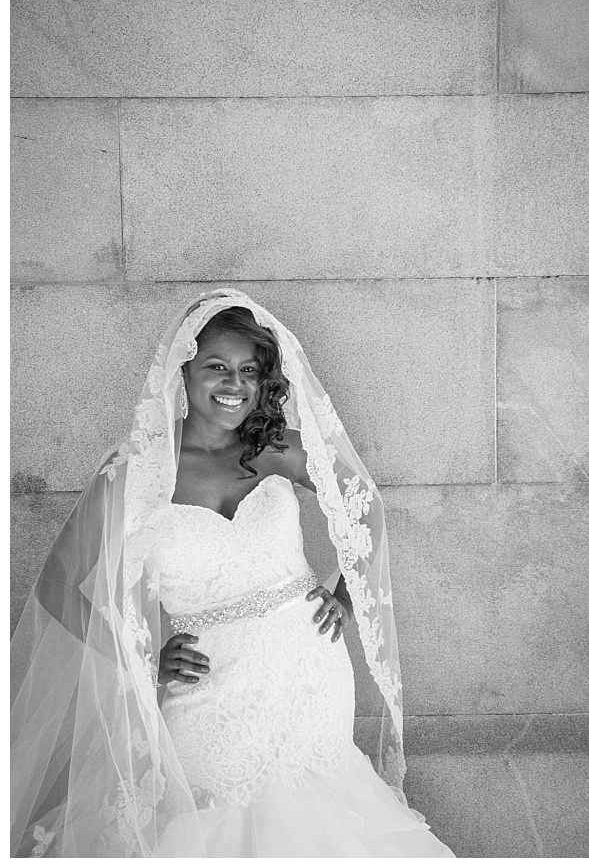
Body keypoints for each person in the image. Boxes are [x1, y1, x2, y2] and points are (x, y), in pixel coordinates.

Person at [11, 289, 455, 857]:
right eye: (216, 366)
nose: (234, 383)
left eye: (249, 370)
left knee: (325, 819)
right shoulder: (135, 474)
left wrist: (345, 595)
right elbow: (59, 588)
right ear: (183, 372)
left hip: (310, 670)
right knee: (218, 826)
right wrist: (142, 658)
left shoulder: (277, 449)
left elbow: (363, 502)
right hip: (209, 689)